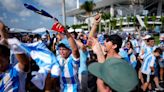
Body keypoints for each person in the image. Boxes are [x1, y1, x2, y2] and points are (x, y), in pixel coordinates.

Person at [87, 14, 138, 92]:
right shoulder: (104, 53)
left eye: (107, 41)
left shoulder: (121, 62)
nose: (104, 42)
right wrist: (95, 24)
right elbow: (91, 40)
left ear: (114, 46)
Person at [0, 21, 30, 92]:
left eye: (1, 59)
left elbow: (25, 64)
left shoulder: (14, 71)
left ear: (7, 57)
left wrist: (7, 40)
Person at [51, 22, 80, 92]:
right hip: (62, 89)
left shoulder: (73, 60)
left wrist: (66, 32)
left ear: (70, 50)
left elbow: (75, 50)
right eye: (60, 49)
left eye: (64, 49)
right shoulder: (58, 58)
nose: (61, 51)